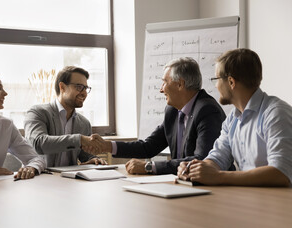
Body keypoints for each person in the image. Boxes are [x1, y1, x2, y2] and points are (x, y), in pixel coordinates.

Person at [87, 57, 230, 175]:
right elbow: (148, 147)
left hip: (212, 188)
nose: (161, 89)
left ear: (180, 84)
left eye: (164, 82)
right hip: (183, 183)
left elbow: (201, 159)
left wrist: (149, 167)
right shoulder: (172, 111)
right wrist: (107, 146)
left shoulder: (207, 110)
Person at [178, 48, 292, 187]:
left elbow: (281, 173)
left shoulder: (276, 113)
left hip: (279, 204)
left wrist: (219, 176)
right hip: (249, 200)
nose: (216, 86)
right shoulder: (232, 118)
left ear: (231, 82)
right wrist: (195, 169)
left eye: (216, 79)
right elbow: (217, 158)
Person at [24, 66, 106, 167]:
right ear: (62, 87)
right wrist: (79, 140)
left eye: (86, 88)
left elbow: (85, 156)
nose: (84, 93)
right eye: (79, 87)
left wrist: (93, 159)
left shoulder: (84, 123)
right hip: (41, 178)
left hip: (71, 180)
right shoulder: (37, 112)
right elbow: (38, 144)